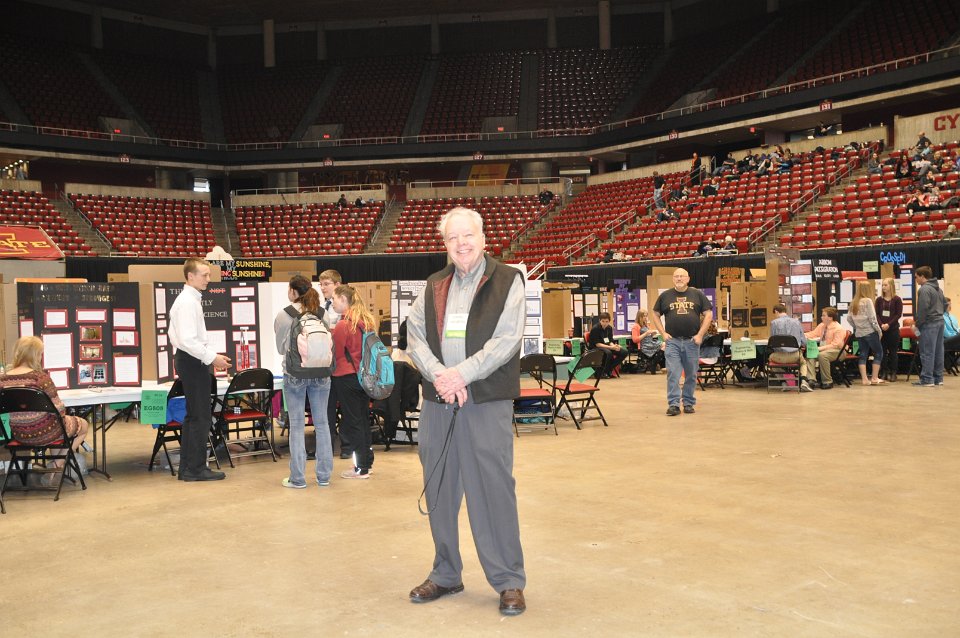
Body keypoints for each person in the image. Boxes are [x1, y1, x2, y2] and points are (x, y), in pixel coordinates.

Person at [406, 207, 527, 616]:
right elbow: (415, 337)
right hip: (438, 400)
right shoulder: (433, 284)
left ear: (483, 237)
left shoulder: (508, 280)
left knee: (493, 489)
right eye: (452, 237)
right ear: (445, 243)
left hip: (485, 400)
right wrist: (441, 376)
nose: (461, 243)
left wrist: (462, 374)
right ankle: (445, 573)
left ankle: (508, 579)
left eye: (468, 235)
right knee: (439, 489)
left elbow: (506, 340)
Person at [168, 258, 232, 481]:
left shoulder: (189, 299)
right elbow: (188, 340)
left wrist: (211, 356)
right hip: (192, 361)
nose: (208, 279)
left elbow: (186, 339)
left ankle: (188, 468)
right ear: (190, 276)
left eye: (208, 275)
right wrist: (212, 358)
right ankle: (195, 469)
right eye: (204, 275)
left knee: (195, 416)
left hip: (191, 359)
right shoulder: (187, 302)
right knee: (200, 416)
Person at [0, 336, 90, 476]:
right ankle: (56, 465)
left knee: (57, 426)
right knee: (83, 425)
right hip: (46, 432)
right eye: (40, 353)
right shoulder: (40, 378)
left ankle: (54, 472)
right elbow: (59, 410)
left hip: (20, 435)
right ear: (35, 355)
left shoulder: (3, 379)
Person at [274, 276, 332, 489]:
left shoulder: (285, 315)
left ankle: (297, 478)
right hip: (322, 373)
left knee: (297, 425)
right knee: (322, 424)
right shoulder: (322, 313)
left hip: (295, 374)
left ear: (293, 291)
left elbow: (281, 349)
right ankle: (324, 476)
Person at [650, 268, 713, 416]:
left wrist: (700, 335)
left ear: (688, 279)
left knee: (691, 374)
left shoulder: (697, 294)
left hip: (692, 342)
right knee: (673, 373)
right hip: (673, 342)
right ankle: (673, 404)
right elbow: (655, 314)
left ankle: (688, 403)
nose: (679, 279)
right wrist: (663, 333)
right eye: (676, 276)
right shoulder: (665, 296)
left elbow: (709, 314)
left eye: (682, 276)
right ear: (673, 279)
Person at [330, 284, 377, 479]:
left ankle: (361, 468)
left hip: (346, 377)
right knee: (363, 420)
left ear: (343, 299)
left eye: (334, 299)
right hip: (364, 377)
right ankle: (366, 463)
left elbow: (336, 353)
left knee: (354, 422)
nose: (332, 303)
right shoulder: (366, 322)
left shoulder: (343, 325)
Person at [318, 269, 345, 456]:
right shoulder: (324, 307)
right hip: (326, 365)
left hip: (343, 364)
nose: (322, 288)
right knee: (326, 407)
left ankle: (347, 446)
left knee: (346, 407)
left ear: (337, 285)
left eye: (326, 284)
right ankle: (325, 446)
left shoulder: (346, 306)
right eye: (321, 284)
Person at [913, 266, 945, 387]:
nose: (915, 279)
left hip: (929, 323)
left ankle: (927, 379)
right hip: (940, 322)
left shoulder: (924, 289)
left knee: (927, 351)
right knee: (938, 351)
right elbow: (945, 304)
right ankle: (938, 378)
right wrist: (938, 313)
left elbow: (923, 309)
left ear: (922, 276)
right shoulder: (938, 289)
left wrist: (917, 325)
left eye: (916, 277)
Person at [768, 304, 812, 392]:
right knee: (803, 363)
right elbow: (804, 342)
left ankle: (784, 382)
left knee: (770, 360)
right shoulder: (797, 322)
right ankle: (803, 381)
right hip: (794, 356)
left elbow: (772, 342)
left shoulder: (773, 323)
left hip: (778, 357)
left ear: (776, 311)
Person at [848, 280, 884, 386]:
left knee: (863, 355)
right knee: (879, 352)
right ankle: (874, 378)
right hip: (870, 332)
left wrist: (856, 327)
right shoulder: (868, 301)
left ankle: (864, 379)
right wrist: (878, 330)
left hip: (859, 333)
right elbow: (872, 318)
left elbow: (849, 318)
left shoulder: (854, 302)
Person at [804, 307, 847, 389]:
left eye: (824, 315)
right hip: (825, 350)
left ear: (830, 318)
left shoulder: (838, 328)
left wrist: (820, 349)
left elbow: (835, 345)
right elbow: (813, 334)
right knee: (810, 354)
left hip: (838, 351)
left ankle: (827, 381)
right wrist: (802, 335)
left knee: (822, 355)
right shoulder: (822, 326)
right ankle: (812, 379)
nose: (821, 317)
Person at [874, 277, 903, 382]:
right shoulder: (879, 300)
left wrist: (888, 325)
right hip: (881, 330)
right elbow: (876, 314)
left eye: (886, 285)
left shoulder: (897, 299)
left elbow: (898, 314)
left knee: (893, 352)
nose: (883, 287)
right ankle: (884, 372)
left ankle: (893, 372)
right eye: (883, 285)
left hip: (893, 330)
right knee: (882, 352)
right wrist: (881, 324)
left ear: (891, 286)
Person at [587, 312, 626, 378]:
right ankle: (601, 372)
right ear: (600, 321)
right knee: (608, 353)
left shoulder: (609, 328)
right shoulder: (595, 329)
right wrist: (611, 347)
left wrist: (614, 346)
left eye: (606, 321)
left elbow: (610, 340)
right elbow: (597, 344)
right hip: (595, 348)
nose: (605, 323)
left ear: (609, 321)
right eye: (603, 321)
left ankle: (607, 370)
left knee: (624, 352)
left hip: (607, 347)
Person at [631, 309, 662, 374]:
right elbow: (635, 340)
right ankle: (653, 364)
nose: (645, 318)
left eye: (646, 316)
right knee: (664, 345)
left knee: (666, 345)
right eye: (644, 316)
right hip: (644, 346)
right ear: (639, 317)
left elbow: (649, 336)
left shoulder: (646, 325)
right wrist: (646, 333)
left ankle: (654, 364)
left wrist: (652, 334)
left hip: (650, 343)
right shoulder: (635, 326)